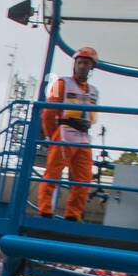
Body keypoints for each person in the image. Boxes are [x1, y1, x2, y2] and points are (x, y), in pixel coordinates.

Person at [37, 47, 100, 221]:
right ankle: (45, 210)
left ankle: (73, 214)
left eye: (86, 63)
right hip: (64, 133)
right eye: (79, 62)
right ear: (75, 64)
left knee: (84, 178)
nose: (82, 66)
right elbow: (49, 112)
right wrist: (52, 135)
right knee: (53, 173)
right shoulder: (60, 84)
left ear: (92, 67)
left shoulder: (94, 91)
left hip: (84, 137)